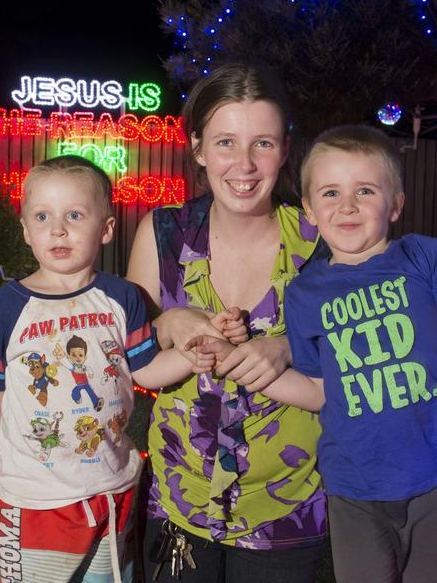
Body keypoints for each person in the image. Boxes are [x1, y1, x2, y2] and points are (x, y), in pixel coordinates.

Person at [195, 125, 437, 582]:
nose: (347, 206)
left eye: (365, 190)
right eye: (330, 192)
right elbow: (320, 389)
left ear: (395, 203)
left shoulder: (426, 258)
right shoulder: (304, 293)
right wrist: (238, 362)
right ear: (309, 209)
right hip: (352, 488)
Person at [0, 155, 204, 583]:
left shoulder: (121, 298)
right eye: (43, 216)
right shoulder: (7, 307)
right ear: (26, 230)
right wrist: (31, 425)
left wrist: (193, 357)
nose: (58, 229)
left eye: (75, 215)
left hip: (111, 488)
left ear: (106, 228)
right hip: (36, 500)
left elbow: (144, 370)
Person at [126, 63, 327, 582]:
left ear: (285, 149)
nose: (244, 164)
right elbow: (130, 358)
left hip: (288, 510)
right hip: (178, 504)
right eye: (225, 143)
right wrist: (171, 319)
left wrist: (284, 347)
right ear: (197, 148)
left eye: (262, 143)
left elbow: (348, 372)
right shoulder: (162, 234)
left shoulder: (322, 244)